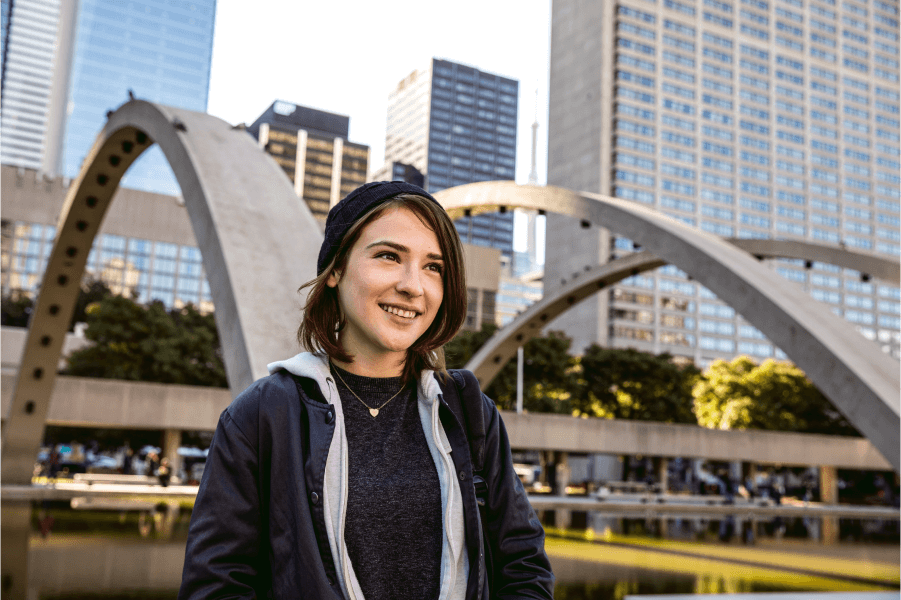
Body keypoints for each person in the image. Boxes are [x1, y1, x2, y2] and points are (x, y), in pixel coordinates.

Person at [178, 182, 554, 600]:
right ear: (336, 270)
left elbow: (523, 565)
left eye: (434, 267)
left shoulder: (469, 411)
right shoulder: (263, 415)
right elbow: (216, 585)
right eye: (389, 257)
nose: (414, 286)